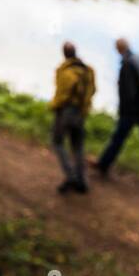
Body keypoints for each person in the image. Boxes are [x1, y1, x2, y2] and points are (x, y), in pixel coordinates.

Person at [94, 38, 139, 190]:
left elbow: (128, 94)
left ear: (119, 49)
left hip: (133, 111)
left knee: (118, 138)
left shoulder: (127, 64)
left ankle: (103, 165)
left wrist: (124, 113)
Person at [50, 42, 95, 194]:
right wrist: (84, 108)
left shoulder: (65, 71)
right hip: (81, 112)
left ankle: (70, 176)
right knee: (78, 146)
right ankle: (82, 181)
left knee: (58, 142)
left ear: (64, 54)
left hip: (66, 111)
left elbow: (62, 94)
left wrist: (54, 106)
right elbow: (93, 89)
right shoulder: (88, 71)